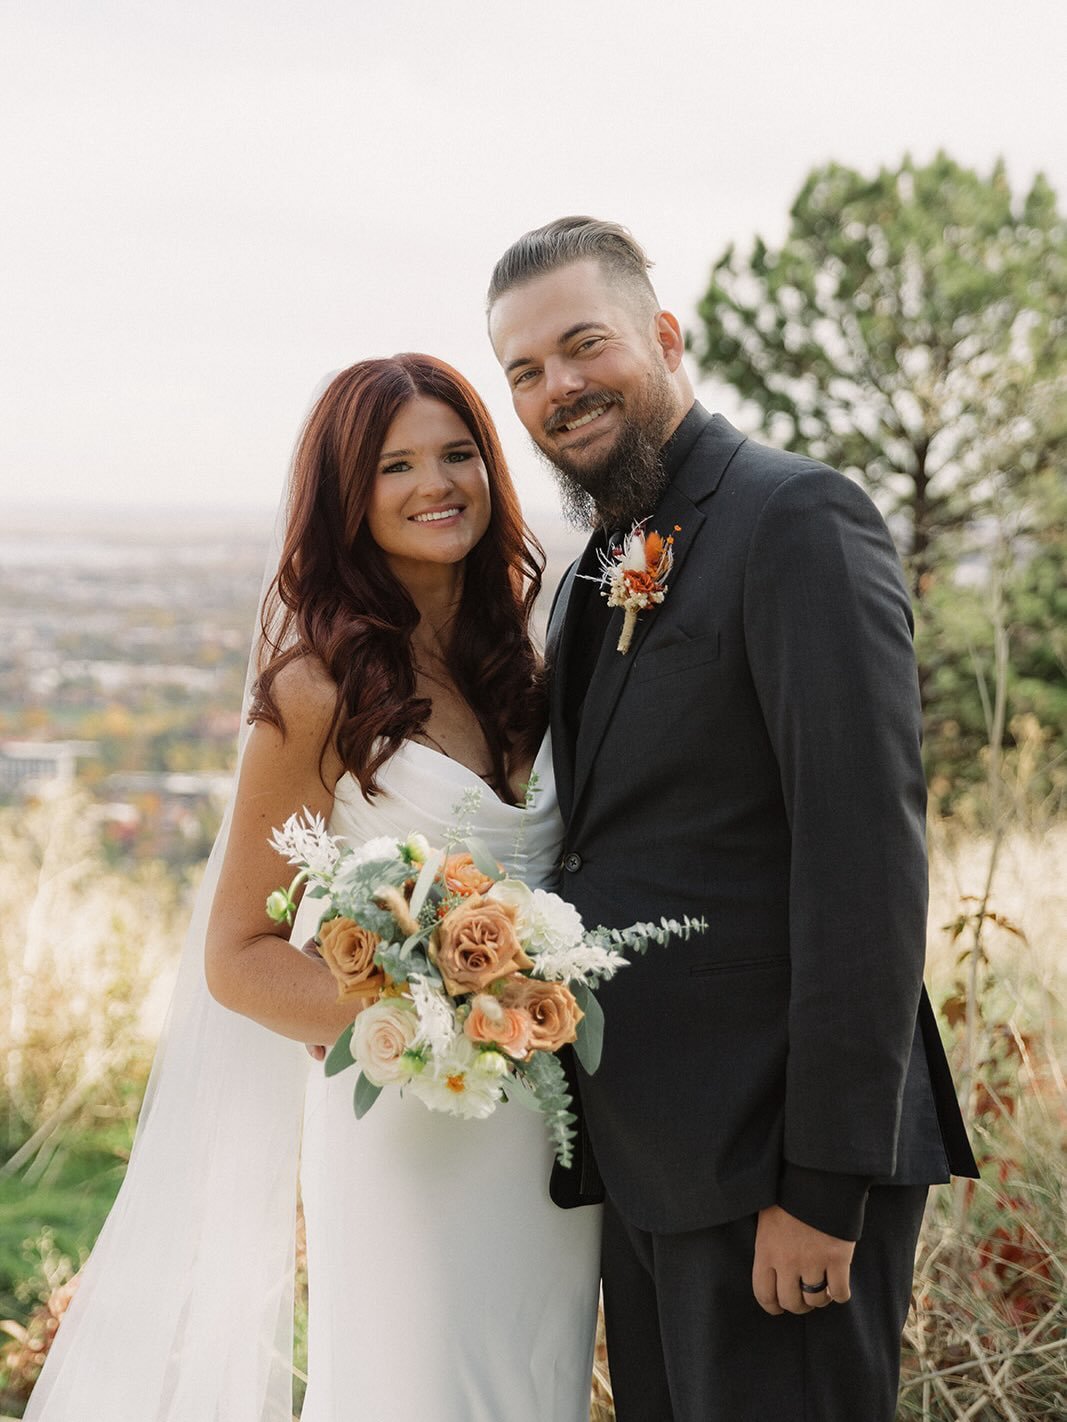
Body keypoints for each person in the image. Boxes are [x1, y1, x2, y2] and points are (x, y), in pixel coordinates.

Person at [24, 355, 601, 1422]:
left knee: (535, 1386)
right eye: (396, 465)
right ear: (349, 494)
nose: (438, 483)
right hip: (405, 1127)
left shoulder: (528, 657)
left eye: (457, 452)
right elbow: (237, 954)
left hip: (549, 1134)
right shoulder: (315, 687)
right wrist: (435, 1012)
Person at [487, 218, 979, 1422]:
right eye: (524, 373)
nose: (557, 388)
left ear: (662, 336)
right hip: (652, 1160)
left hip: (775, 1168)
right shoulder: (599, 561)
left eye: (581, 344)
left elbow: (863, 868)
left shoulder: (794, 520)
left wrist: (820, 1186)